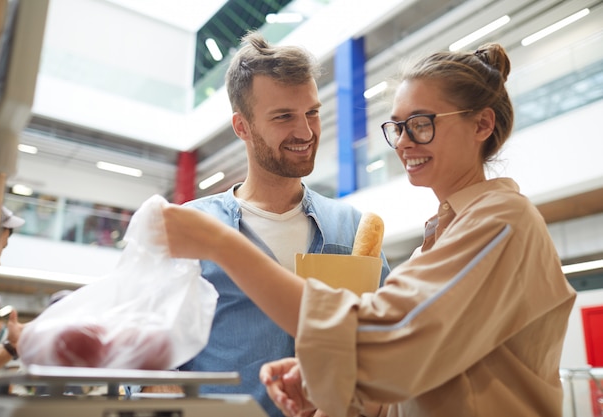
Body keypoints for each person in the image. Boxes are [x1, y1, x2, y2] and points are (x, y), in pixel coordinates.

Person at [159, 43, 577, 417]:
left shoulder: (499, 224)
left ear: (482, 125)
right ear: (242, 127)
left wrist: (223, 247)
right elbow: (412, 372)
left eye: (422, 123)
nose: (403, 142)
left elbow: (387, 341)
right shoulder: (436, 243)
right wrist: (333, 387)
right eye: (397, 126)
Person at [153, 31, 389, 416]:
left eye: (311, 112)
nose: (306, 131)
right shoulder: (191, 230)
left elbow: (387, 347)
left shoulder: (352, 229)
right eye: (283, 117)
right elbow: (147, 355)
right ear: (242, 127)